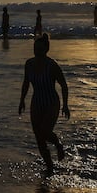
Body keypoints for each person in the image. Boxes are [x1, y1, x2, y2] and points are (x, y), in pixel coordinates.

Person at [19, 33, 70, 175]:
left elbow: (64, 85)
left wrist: (65, 105)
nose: (37, 52)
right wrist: (22, 100)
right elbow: (26, 83)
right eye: (35, 49)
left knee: (45, 132)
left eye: (40, 49)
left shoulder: (52, 65)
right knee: (39, 138)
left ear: (46, 49)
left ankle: (58, 145)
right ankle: (50, 168)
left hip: (51, 103)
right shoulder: (29, 64)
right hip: (36, 102)